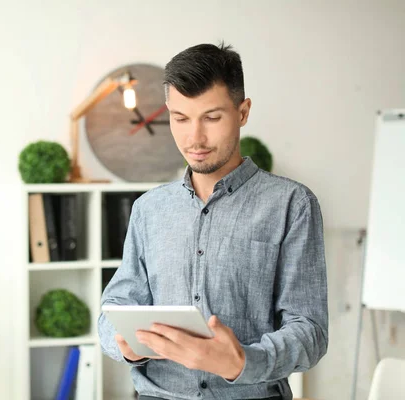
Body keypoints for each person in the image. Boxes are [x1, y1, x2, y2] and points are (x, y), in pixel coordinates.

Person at [98, 42, 329, 400]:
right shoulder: (148, 209)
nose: (195, 138)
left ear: (243, 112)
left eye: (212, 117)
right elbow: (112, 313)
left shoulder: (291, 204)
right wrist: (127, 345)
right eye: (180, 119)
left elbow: (310, 331)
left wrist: (242, 361)